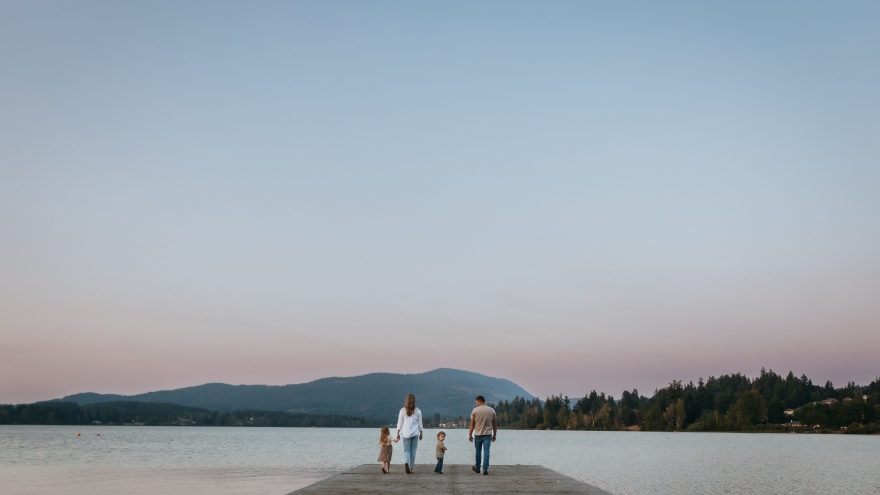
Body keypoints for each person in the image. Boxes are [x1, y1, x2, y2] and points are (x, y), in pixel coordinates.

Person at [468, 395, 497, 475]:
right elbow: (494, 425)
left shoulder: (475, 411)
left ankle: (477, 468)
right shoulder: (492, 410)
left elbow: (472, 425)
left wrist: (470, 435)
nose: (476, 404)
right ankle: (485, 469)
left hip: (478, 434)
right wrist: (494, 435)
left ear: (479, 401)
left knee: (478, 450)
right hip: (488, 434)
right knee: (486, 450)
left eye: (476, 402)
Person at [396, 393, 423, 474]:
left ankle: (406, 462)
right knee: (413, 450)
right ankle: (411, 468)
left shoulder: (402, 411)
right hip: (415, 433)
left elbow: (399, 423)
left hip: (405, 433)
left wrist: (398, 432)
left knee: (406, 450)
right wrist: (421, 432)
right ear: (414, 401)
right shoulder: (418, 411)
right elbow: (420, 423)